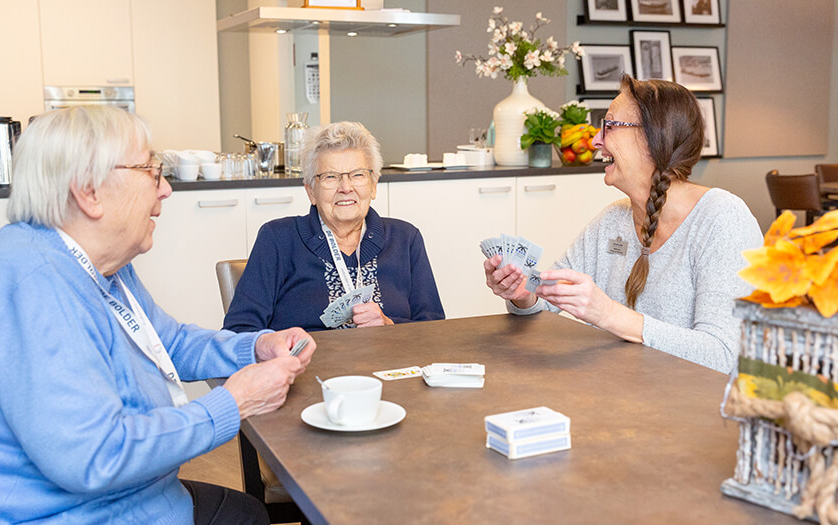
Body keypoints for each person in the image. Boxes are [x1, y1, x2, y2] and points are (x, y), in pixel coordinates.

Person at [0, 106, 316, 524]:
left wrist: (256, 346)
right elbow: (94, 457)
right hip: (61, 513)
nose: (166, 189)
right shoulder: (30, 284)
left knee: (246, 514)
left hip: (133, 498)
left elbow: (167, 343)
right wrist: (234, 402)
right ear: (89, 192)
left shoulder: (95, 263)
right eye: (152, 171)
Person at [484, 76, 762, 374]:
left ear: (654, 139)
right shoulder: (614, 220)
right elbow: (548, 304)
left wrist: (608, 314)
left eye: (611, 126)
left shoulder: (723, 219)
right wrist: (523, 295)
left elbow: (722, 355)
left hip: (701, 412)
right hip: (627, 401)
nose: (596, 141)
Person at [224, 121, 444, 332]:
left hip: (390, 366)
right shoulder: (277, 239)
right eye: (330, 177)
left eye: (358, 175)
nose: (346, 187)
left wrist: (389, 327)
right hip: (306, 367)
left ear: (374, 186)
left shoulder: (405, 239)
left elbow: (434, 329)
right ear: (311, 191)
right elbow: (238, 330)